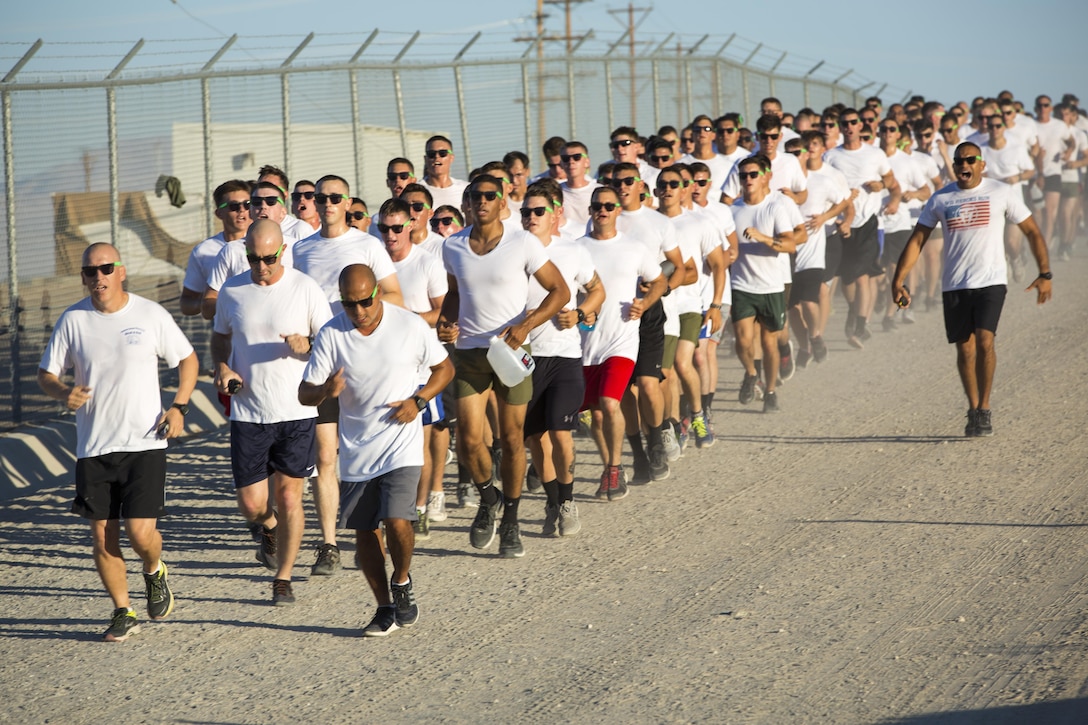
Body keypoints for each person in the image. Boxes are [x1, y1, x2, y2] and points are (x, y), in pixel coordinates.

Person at [38, 242, 198, 642]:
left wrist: (179, 406)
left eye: (105, 269)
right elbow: (47, 374)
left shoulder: (148, 314)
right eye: (90, 272)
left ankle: (154, 570)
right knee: (102, 537)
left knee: (141, 534)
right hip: (94, 447)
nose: (98, 278)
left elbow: (187, 359)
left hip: (145, 442)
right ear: (83, 278)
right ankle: (123, 610)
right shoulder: (72, 319)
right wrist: (62, 393)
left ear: (121, 271)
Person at [299, 264, 454, 636]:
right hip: (357, 448)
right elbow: (305, 394)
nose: (358, 311)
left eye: (365, 301)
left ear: (378, 293)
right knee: (365, 531)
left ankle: (401, 580)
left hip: (401, 443)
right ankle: (384, 607)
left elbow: (444, 369)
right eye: (349, 304)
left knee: (398, 520)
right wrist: (325, 392)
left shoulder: (410, 325)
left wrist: (418, 402)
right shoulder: (332, 334)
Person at [438, 175, 569, 558]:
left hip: (511, 353)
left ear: (501, 203)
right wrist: (445, 322)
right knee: (467, 440)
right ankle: (487, 498)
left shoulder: (522, 242)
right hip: (469, 354)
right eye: (474, 196)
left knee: (513, 440)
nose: (481, 201)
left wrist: (526, 324)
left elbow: (560, 291)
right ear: (466, 203)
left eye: (489, 196)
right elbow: (454, 293)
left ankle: (510, 520)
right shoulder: (453, 246)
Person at [891, 143, 1052, 437]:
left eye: (970, 160)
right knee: (964, 350)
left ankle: (985, 408)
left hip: (991, 281)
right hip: (954, 283)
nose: (963, 165)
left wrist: (1045, 272)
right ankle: (973, 407)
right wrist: (898, 279)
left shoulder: (1001, 192)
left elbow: (1032, 230)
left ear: (981, 165)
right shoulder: (941, 198)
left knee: (985, 342)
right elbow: (917, 240)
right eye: (958, 161)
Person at [212, 219, 333, 605]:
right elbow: (220, 337)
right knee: (251, 504)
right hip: (248, 412)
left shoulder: (304, 288)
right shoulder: (233, 290)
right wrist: (223, 366)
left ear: (283, 251)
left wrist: (309, 344)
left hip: (296, 410)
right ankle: (268, 528)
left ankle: (283, 577)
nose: (260, 266)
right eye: (252, 258)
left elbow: (332, 343)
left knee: (290, 497)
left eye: (268, 258)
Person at [292, 175, 403, 576]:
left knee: (365, 451)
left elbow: (394, 297)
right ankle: (328, 543)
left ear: (348, 201)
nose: (325, 203)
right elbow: (292, 298)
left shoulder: (368, 244)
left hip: (363, 363)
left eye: (334, 197)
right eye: (318, 197)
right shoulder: (301, 248)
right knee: (325, 456)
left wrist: (349, 317)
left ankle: (374, 527)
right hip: (321, 364)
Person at [520, 181, 604, 533]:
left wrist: (582, 313)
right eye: (525, 212)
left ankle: (568, 502)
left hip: (565, 356)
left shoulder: (572, 251)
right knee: (535, 438)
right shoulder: (510, 249)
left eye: (539, 211)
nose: (531, 217)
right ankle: (552, 501)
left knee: (560, 432)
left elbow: (597, 290)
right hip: (524, 358)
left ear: (556, 214)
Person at [579, 186, 667, 498]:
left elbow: (659, 280)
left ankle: (615, 470)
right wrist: (579, 312)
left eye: (608, 206)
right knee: (595, 414)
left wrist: (644, 303)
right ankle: (610, 467)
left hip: (622, 341)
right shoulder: (577, 249)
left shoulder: (634, 247)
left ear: (618, 210)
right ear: (590, 210)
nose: (601, 210)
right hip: (586, 343)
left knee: (609, 403)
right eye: (596, 206)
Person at [375, 198, 450, 539]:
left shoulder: (428, 263)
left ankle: (419, 507)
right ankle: (384, 508)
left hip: (421, 367)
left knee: (420, 441)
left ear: (410, 226)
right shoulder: (372, 261)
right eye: (383, 228)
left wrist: (406, 322)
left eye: (396, 228)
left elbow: (444, 311)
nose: (390, 235)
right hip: (381, 366)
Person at [729, 155, 807, 413]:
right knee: (742, 341)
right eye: (743, 176)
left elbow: (790, 244)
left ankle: (771, 390)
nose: (748, 180)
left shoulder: (775, 207)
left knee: (769, 343)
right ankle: (752, 373)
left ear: (765, 177)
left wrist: (762, 238)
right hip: (741, 285)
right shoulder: (732, 210)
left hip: (772, 286)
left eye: (753, 174)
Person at [180, 179, 251, 317]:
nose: (242, 209)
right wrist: (213, 303)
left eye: (247, 204)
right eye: (233, 206)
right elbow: (186, 304)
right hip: (226, 331)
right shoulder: (203, 251)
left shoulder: (265, 243)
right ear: (219, 213)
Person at [421, 135, 469, 209]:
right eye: (431, 154)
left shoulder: (466, 189)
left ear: (452, 158)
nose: (437, 157)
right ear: (425, 159)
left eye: (442, 153)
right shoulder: (417, 191)